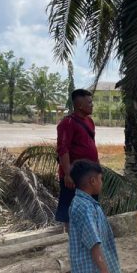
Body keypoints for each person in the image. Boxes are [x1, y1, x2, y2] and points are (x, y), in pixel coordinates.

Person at [56, 89, 98, 232]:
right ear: (79, 105)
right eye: (89, 102)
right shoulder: (67, 123)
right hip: (74, 175)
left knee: (91, 204)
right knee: (70, 206)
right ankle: (70, 235)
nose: (92, 105)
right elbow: (63, 149)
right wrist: (68, 174)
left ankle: (89, 232)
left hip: (89, 173)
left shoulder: (90, 122)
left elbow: (91, 144)